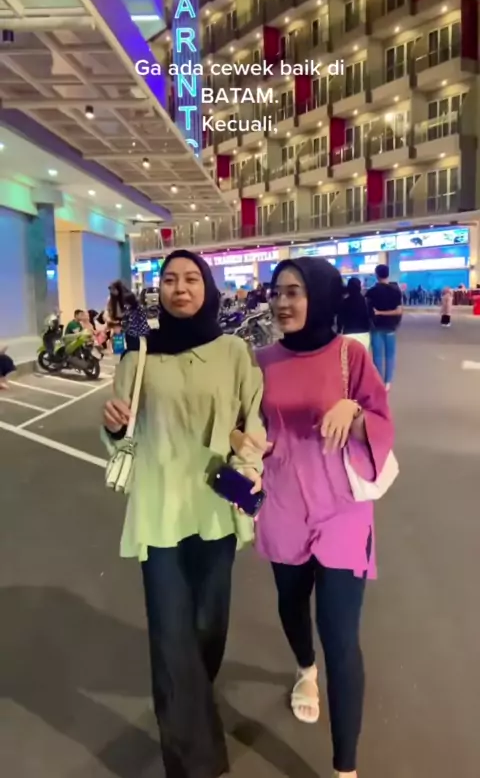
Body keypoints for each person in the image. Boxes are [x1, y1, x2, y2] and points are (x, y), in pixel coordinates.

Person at [102, 250, 266, 778]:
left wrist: (249, 463)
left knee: (207, 629)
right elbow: (121, 435)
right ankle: (192, 761)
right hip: (159, 513)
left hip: (216, 510)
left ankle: (190, 706)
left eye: (192, 278)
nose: (180, 288)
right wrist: (112, 426)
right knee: (171, 636)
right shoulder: (139, 356)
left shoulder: (234, 352)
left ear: (207, 287)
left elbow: (253, 420)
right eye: (170, 279)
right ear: (160, 291)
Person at [230, 257, 393, 778]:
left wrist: (356, 413)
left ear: (319, 296)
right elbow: (242, 428)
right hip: (283, 506)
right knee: (291, 604)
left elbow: (382, 422)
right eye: (277, 292)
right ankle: (305, 668)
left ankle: (346, 767)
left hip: (342, 512)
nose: (282, 302)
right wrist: (243, 443)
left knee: (340, 636)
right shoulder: (260, 361)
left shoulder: (350, 355)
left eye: (294, 292)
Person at [366, 265, 403, 390]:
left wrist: (379, 313)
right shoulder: (396, 291)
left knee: (377, 356)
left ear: (376, 275)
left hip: (376, 327)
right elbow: (399, 311)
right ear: (388, 274)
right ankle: (388, 382)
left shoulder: (371, 292)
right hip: (391, 327)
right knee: (390, 355)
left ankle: (379, 382)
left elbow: (368, 311)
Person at [107, 280, 149, 351]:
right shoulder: (115, 300)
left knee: (135, 345)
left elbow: (127, 313)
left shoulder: (127, 296)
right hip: (129, 327)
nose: (112, 292)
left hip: (135, 323)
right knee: (131, 344)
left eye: (113, 289)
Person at [338, 277, 371, 350]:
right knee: (362, 354)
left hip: (348, 332)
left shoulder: (344, 302)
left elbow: (340, 319)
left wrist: (339, 331)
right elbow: (370, 316)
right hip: (363, 332)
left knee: (349, 355)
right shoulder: (366, 301)